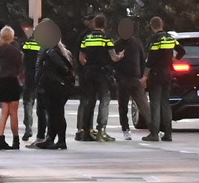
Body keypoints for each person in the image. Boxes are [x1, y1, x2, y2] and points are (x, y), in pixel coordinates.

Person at [32, 19, 76, 150]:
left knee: (56, 114)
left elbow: (63, 68)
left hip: (53, 86)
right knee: (54, 113)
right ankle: (50, 138)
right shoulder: (60, 50)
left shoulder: (51, 51)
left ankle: (60, 140)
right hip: (56, 86)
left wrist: (42, 79)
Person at [143, 16, 184, 142]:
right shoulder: (170, 38)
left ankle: (154, 133)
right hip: (168, 74)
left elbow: (150, 60)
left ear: (152, 26)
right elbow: (182, 51)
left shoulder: (155, 40)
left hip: (156, 74)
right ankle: (168, 133)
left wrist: (145, 76)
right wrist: (174, 60)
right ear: (162, 24)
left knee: (155, 104)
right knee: (165, 103)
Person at [76, 14, 116, 142]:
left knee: (90, 101)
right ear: (104, 24)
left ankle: (86, 131)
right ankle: (101, 130)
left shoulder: (86, 38)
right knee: (104, 100)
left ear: (94, 24)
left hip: (89, 73)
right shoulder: (106, 39)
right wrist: (120, 56)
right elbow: (113, 57)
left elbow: (81, 58)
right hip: (102, 73)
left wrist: (88, 64)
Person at [0, 26, 25, 150]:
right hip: (12, 82)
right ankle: (16, 141)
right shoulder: (15, 52)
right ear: (12, 37)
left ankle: (0, 138)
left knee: (4, 113)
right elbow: (20, 68)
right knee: (13, 113)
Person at [112, 17, 148, 139]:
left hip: (135, 79)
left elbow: (142, 60)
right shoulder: (116, 44)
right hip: (122, 79)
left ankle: (154, 128)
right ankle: (125, 129)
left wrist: (143, 76)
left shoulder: (137, 43)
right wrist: (116, 76)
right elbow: (113, 62)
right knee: (123, 106)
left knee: (143, 105)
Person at [18, 17, 41, 143]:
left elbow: (22, 58)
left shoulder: (29, 42)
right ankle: (44, 130)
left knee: (28, 102)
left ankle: (28, 127)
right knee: (43, 104)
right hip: (42, 76)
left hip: (30, 75)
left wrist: (21, 73)